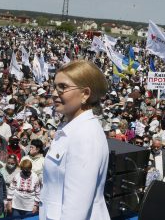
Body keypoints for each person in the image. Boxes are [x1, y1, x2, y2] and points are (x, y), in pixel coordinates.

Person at [40, 61, 110, 220]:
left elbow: (75, 212)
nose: (54, 93)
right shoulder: (71, 128)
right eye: (55, 86)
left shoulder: (85, 135)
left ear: (85, 94)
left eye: (63, 87)